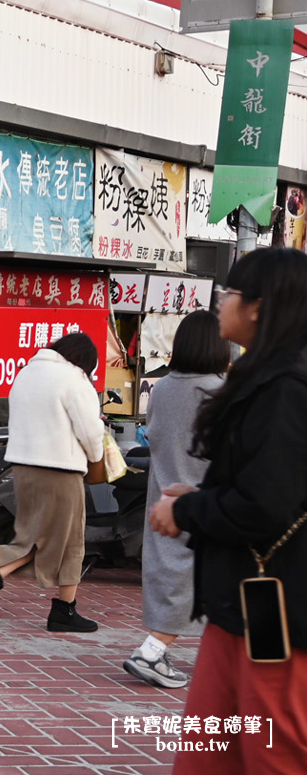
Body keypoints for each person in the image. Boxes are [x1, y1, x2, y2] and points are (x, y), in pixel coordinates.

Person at [150, 248, 307, 771]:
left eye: (229, 293)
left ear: (259, 307)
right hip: (237, 604)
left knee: (272, 755)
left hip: (277, 608)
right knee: (207, 754)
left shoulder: (286, 389)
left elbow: (266, 505)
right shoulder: (260, 378)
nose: (220, 303)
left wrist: (190, 512)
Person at [0, 332, 105, 632]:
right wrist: (98, 456)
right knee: (65, 540)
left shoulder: (27, 372)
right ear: (83, 361)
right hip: (60, 470)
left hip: (23, 468)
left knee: (37, 534)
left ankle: (62, 610)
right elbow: (91, 431)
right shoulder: (74, 378)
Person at [122, 310, 226, 690]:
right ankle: (150, 652)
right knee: (200, 581)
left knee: (172, 576)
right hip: (206, 497)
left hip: (163, 492)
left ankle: (159, 653)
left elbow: (156, 436)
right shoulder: (223, 390)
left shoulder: (162, 388)